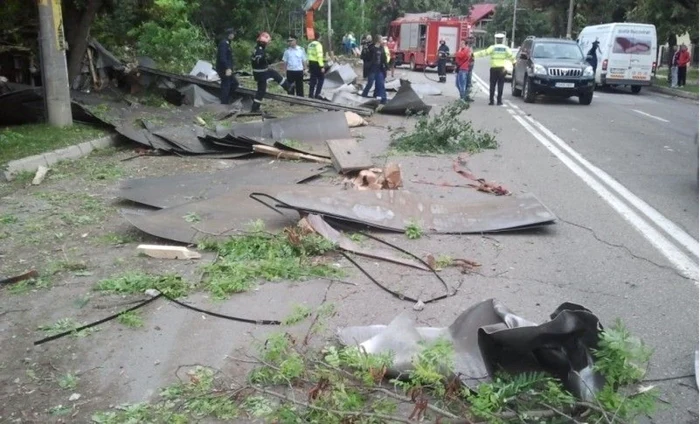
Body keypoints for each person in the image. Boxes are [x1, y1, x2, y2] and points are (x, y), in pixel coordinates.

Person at [251, 32, 291, 112]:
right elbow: (259, 59)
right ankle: (288, 87)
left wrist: (267, 60)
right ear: (263, 42)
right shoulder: (259, 50)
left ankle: (288, 87)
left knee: (264, 87)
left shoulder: (257, 48)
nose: (267, 44)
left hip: (260, 72)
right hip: (261, 73)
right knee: (262, 90)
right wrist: (266, 59)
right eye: (267, 43)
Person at [473, 33, 515, 106]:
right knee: (500, 85)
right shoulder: (506, 48)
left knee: (492, 85)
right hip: (502, 69)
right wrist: (514, 63)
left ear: (496, 40)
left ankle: (491, 101)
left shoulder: (492, 47)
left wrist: (473, 55)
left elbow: (484, 53)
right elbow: (511, 56)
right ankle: (499, 101)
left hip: (494, 68)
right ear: (502, 40)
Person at [215, 28, 239, 104]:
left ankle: (226, 99)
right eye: (233, 34)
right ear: (230, 34)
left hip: (227, 68)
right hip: (223, 68)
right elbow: (222, 57)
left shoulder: (227, 43)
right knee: (226, 85)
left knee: (234, 83)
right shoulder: (224, 43)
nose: (234, 35)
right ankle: (224, 103)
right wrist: (227, 68)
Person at [361, 35, 388, 104]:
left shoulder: (381, 48)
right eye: (382, 39)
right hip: (372, 69)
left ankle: (383, 99)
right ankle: (364, 95)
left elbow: (384, 58)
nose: (383, 40)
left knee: (381, 84)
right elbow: (365, 57)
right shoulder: (371, 48)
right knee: (370, 83)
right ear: (378, 40)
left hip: (379, 69)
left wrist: (386, 66)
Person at [307, 31, 325, 99]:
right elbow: (319, 56)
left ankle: (310, 95)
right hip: (317, 63)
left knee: (312, 79)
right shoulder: (318, 45)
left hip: (311, 63)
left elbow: (308, 54)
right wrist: (322, 66)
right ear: (319, 37)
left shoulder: (310, 44)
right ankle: (317, 94)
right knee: (321, 79)